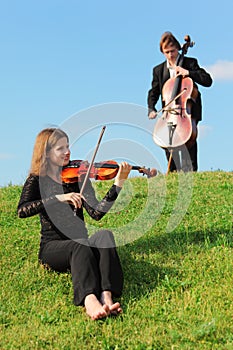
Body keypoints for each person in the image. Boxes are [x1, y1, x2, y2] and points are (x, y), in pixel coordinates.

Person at [17, 127, 132, 320]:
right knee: (79, 245)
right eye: (60, 148)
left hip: (81, 244)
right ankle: (90, 301)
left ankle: (107, 295)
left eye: (68, 146)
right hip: (53, 247)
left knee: (104, 235)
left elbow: (96, 212)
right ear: (46, 153)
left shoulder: (79, 175)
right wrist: (59, 198)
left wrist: (118, 184)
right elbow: (22, 210)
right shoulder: (37, 180)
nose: (67, 151)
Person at [147, 31, 212, 172]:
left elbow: (207, 80)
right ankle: (173, 172)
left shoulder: (190, 63)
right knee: (167, 142)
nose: (170, 55)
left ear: (178, 48)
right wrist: (151, 108)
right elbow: (154, 92)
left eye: (173, 51)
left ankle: (190, 172)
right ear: (162, 52)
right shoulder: (158, 70)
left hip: (187, 112)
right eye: (167, 52)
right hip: (169, 114)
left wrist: (189, 73)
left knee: (189, 141)